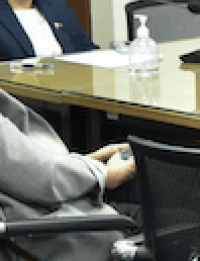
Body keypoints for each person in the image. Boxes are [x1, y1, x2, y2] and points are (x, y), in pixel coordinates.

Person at [0, 88, 137, 260]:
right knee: (157, 219)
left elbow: (17, 165)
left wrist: (85, 163)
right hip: (33, 232)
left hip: (27, 214)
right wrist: (104, 174)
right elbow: (42, 180)